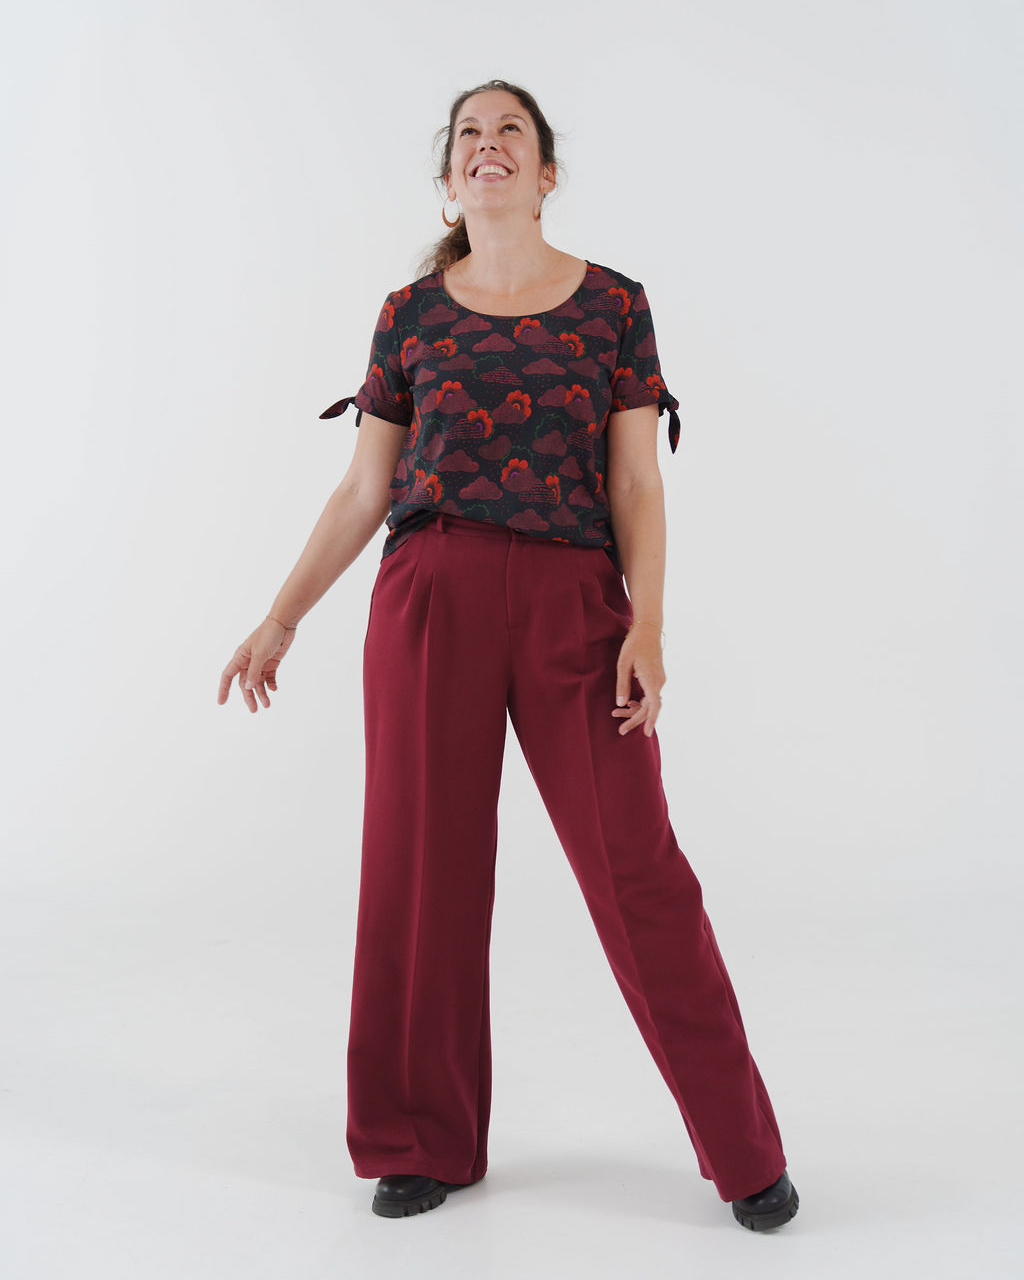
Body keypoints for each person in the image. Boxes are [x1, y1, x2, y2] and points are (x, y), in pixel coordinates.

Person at [217, 78, 799, 1231]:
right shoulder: (409, 316)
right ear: (450, 180)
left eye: (510, 132)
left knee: (637, 867)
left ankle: (743, 1150)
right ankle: (417, 1138)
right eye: (469, 135)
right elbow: (362, 487)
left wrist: (647, 623)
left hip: (574, 600)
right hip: (431, 590)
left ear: (543, 174)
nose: (488, 145)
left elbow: (635, 480)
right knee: (418, 865)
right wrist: (280, 616)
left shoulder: (614, 306)